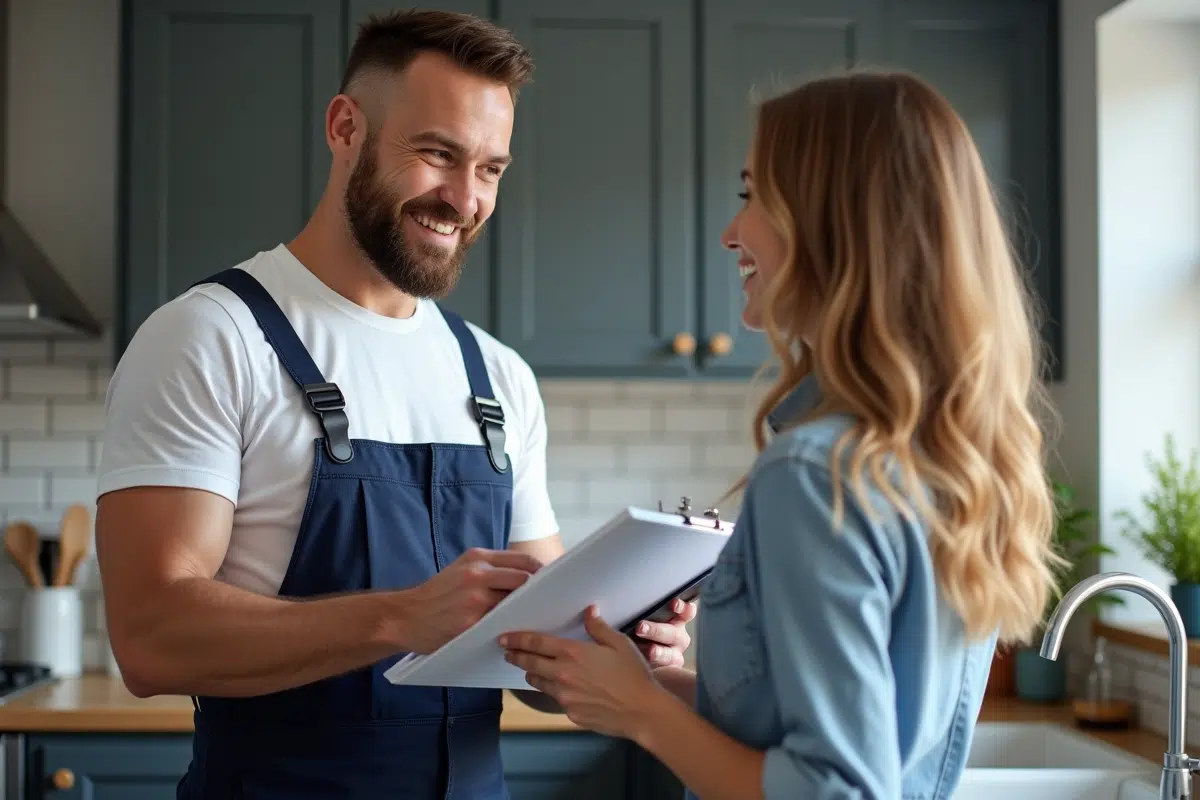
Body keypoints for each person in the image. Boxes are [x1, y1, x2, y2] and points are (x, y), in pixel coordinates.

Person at [94, 10, 695, 799]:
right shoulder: (211, 338)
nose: (464, 199)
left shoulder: (498, 376)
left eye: (490, 169)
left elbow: (537, 664)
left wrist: (614, 646)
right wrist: (399, 618)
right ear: (346, 127)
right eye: (437, 154)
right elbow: (150, 640)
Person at [499, 70, 1063, 799]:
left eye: (752, 195)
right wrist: (648, 683)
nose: (733, 232)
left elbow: (834, 790)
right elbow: (817, 736)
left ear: (834, 221)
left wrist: (641, 713)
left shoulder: (815, 473)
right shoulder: (943, 460)